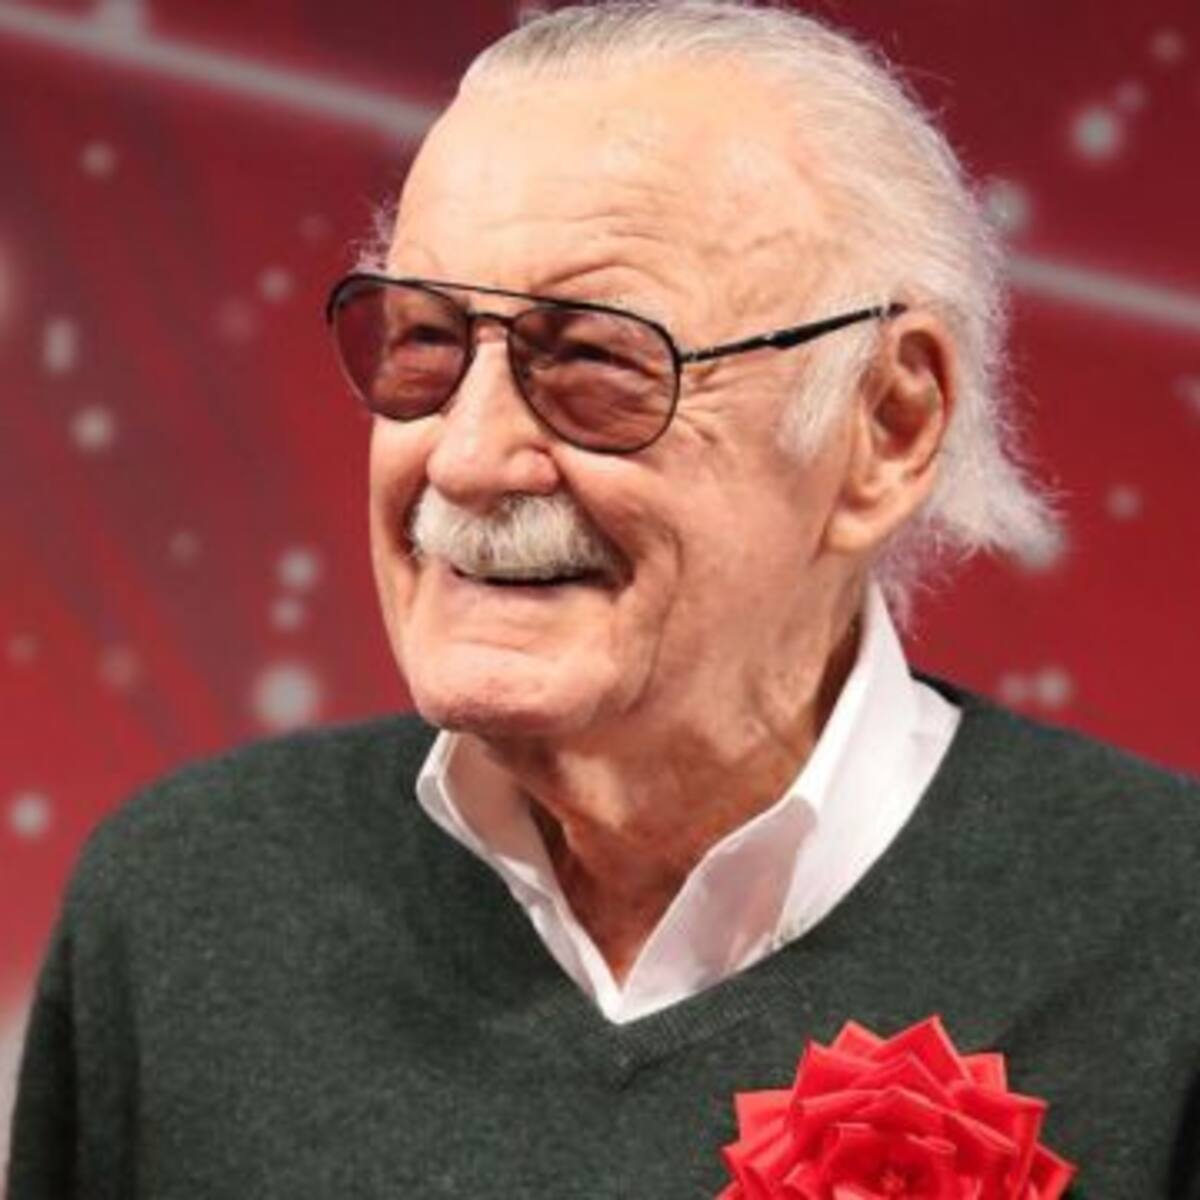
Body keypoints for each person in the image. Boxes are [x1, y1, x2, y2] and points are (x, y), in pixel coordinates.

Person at [7, 3, 1199, 1197]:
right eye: (424, 341)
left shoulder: (1165, 940)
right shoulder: (187, 903)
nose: (467, 458)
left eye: (595, 360)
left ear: (886, 427)